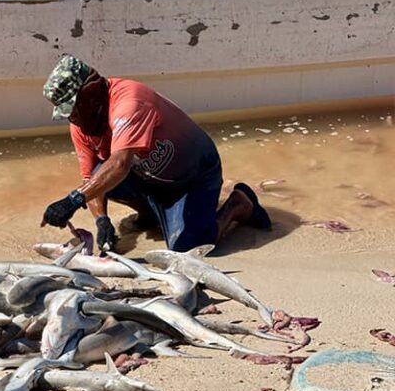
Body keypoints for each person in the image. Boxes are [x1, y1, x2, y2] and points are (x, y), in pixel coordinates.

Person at [40, 54, 271, 253]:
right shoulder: (80, 126)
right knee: (100, 175)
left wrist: (71, 201)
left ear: (90, 92)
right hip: (149, 176)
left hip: (194, 176)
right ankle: (151, 214)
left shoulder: (129, 103)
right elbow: (90, 180)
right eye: (67, 114)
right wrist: (102, 220)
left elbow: (119, 164)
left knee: (189, 248)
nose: (73, 119)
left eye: (73, 109)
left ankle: (238, 205)